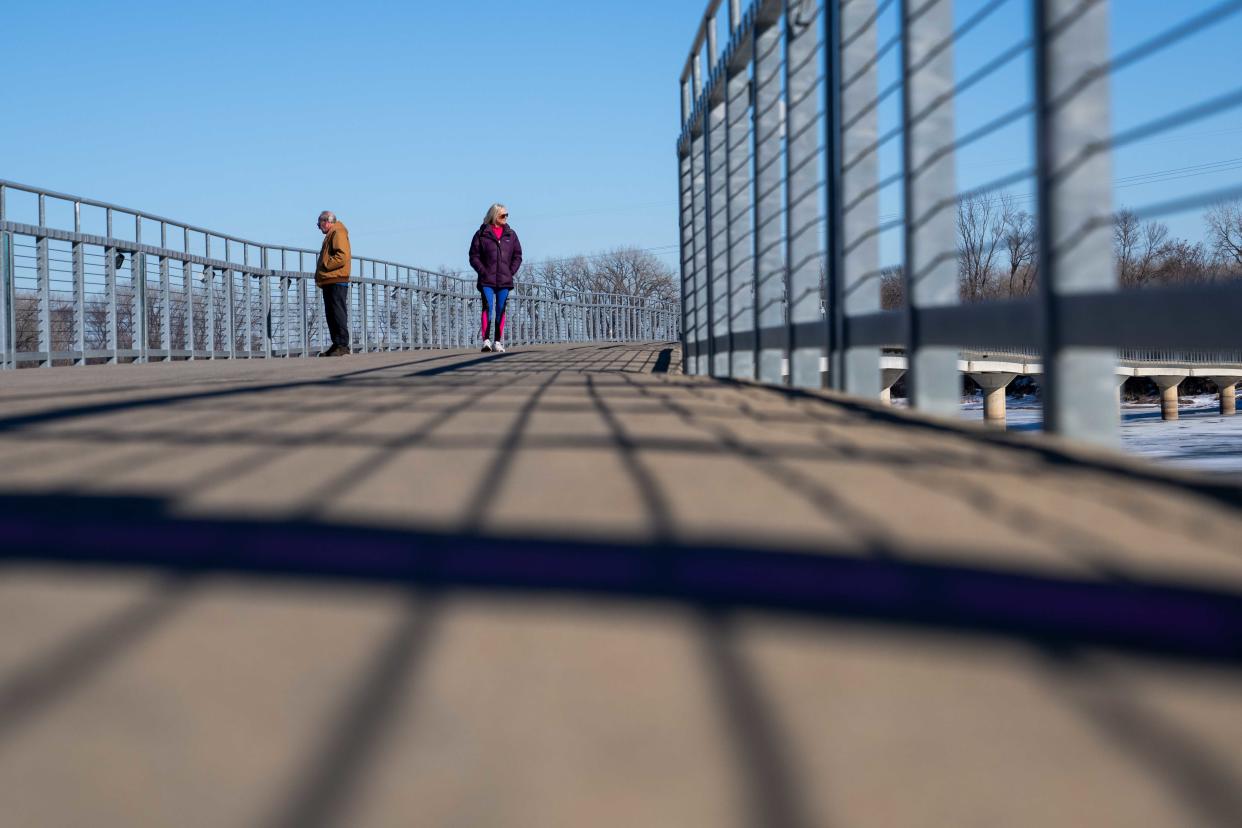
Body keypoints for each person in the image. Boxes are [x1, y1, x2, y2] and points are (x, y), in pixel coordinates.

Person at [468, 203, 522, 353]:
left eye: (506, 215)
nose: (505, 218)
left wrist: (510, 271)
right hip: (487, 279)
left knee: (501, 309)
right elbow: (474, 256)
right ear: (494, 216)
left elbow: (518, 256)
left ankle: (497, 342)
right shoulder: (481, 234)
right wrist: (482, 271)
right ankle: (486, 341)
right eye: (502, 215)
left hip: (505, 280)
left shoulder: (511, 234)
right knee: (488, 307)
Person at [315, 210, 352, 357]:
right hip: (331, 279)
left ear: (327, 221)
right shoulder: (333, 233)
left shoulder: (338, 232)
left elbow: (342, 255)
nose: (319, 227)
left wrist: (325, 265)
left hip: (336, 278)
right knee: (331, 314)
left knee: (337, 313)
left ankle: (342, 345)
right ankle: (337, 344)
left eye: (319, 224)